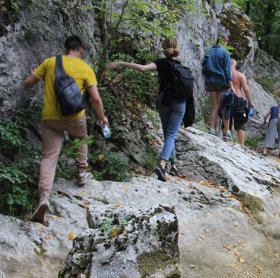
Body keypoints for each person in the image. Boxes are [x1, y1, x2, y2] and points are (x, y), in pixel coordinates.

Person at [23, 35, 109, 225]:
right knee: (81, 138)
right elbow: (95, 99)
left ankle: (44, 197)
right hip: (74, 117)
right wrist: (102, 117)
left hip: (50, 117)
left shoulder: (49, 63)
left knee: (49, 156)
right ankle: (81, 173)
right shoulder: (85, 68)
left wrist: (35, 74)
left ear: (65, 48)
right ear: (81, 50)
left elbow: (28, 83)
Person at [108, 38, 188, 182]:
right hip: (180, 103)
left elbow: (142, 68)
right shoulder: (181, 66)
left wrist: (121, 63)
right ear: (177, 48)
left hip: (165, 101)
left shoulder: (161, 63)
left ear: (163, 48)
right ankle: (170, 165)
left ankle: (166, 165)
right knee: (171, 134)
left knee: (168, 134)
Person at [202, 35, 233, 139]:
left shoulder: (208, 51)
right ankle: (227, 131)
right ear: (224, 41)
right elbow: (228, 71)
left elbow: (204, 67)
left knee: (215, 106)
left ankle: (212, 129)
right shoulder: (225, 52)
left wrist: (206, 82)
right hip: (222, 81)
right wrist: (231, 85)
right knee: (224, 106)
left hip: (210, 81)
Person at [219, 59, 253, 145]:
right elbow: (246, 89)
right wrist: (250, 102)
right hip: (239, 99)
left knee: (226, 118)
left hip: (226, 97)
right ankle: (241, 145)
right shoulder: (240, 75)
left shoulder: (223, 73)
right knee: (240, 123)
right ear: (234, 65)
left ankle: (227, 141)